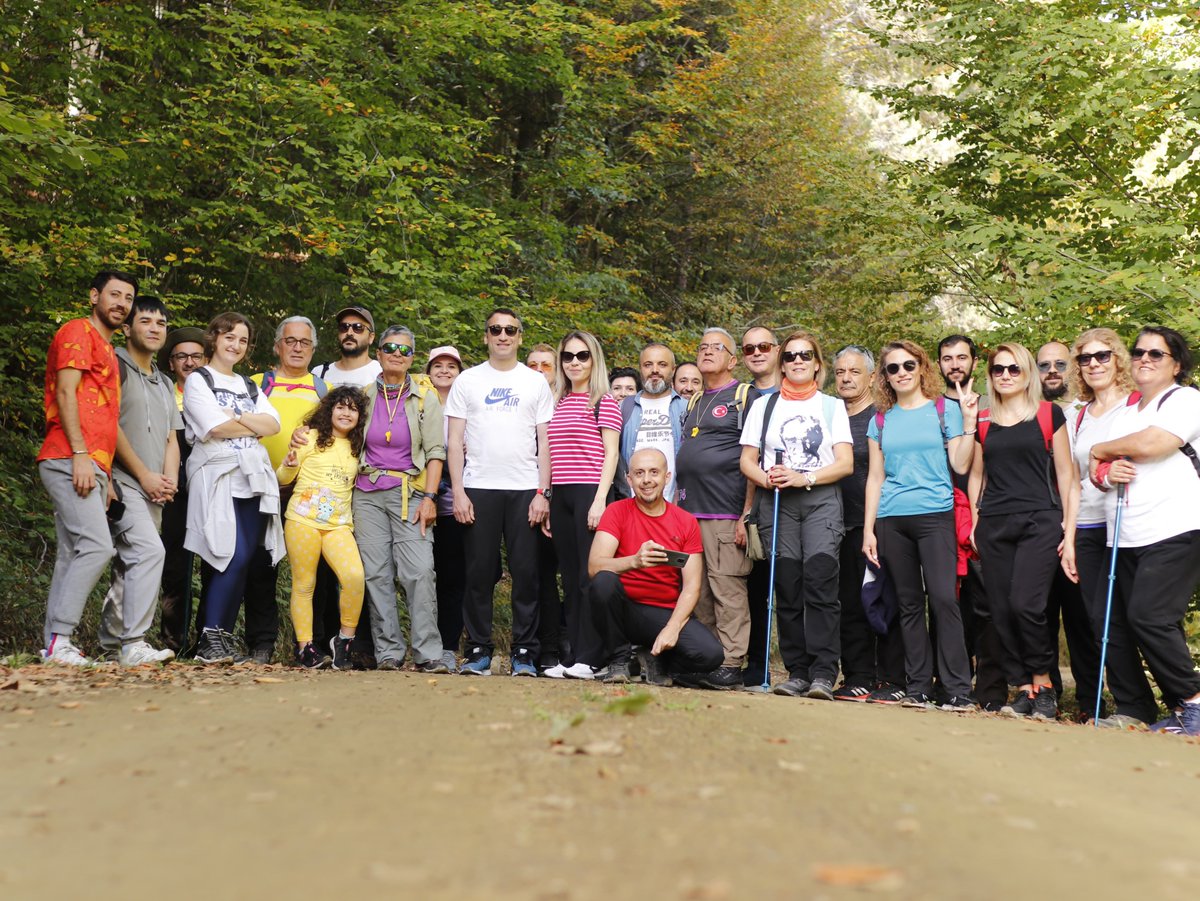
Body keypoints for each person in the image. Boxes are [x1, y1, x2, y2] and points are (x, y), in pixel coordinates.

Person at [1088, 326, 1200, 736]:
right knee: (1108, 620)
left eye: (1156, 353)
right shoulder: (1125, 412)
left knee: (1151, 617)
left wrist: (1102, 450)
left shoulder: (1187, 400)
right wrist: (1104, 469)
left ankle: (1194, 702)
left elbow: (1156, 443)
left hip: (1175, 528)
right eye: (1138, 352)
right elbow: (1094, 470)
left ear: (1176, 364)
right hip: (1123, 535)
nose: (1145, 359)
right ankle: (1161, 709)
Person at [863, 340, 978, 710]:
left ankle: (958, 688)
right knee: (909, 604)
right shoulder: (880, 420)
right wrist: (868, 529)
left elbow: (960, 465)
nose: (901, 373)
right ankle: (918, 687)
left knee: (944, 600)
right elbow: (875, 478)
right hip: (891, 520)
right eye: (893, 368)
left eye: (908, 366)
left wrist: (971, 423)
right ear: (884, 376)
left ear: (921, 368)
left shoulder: (945, 411)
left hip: (935, 515)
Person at [740, 332, 852, 699]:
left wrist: (804, 477)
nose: (797, 361)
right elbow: (747, 462)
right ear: (781, 362)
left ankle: (823, 673)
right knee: (786, 588)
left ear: (818, 363)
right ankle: (797, 671)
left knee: (820, 584)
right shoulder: (764, 406)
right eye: (790, 356)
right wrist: (769, 478)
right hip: (778, 504)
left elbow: (845, 464)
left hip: (820, 500)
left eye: (805, 355)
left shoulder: (832, 406)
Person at [968, 343, 1076, 720]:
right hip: (995, 522)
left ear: (1027, 372)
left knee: (1026, 605)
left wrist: (1069, 527)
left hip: (1039, 521)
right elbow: (976, 473)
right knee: (1000, 610)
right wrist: (976, 520)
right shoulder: (983, 420)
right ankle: (1025, 688)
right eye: (998, 370)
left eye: (1014, 369)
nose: (1006, 376)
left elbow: (1067, 474)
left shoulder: (1049, 413)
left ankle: (1044, 684)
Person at [445, 308, 554, 676]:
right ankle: (478, 650)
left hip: (524, 488)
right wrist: (458, 492)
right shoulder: (468, 381)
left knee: (526, 573)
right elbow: (454, 441)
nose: (503, 335)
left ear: (520, 337)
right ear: (486, 336)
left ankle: (524, 651)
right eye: (495, 329)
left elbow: (545, 441)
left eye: (510, 330)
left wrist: (544, 492)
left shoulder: (535, 382)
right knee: (478, 574)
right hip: (478, 487)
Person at [37, 270, 137, 664]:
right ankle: (60, 639)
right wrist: (80, 455)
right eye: (114, 295)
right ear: (94, 295)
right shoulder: (77, 331)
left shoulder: (109, 349)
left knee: (72, 552)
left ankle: (52, 645)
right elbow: (65, 392)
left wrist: (106, 473)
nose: (121, 304)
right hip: (67, 455)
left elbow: (105, 418)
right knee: (97, 547)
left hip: (91, 462)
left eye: (128, 298)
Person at [1066, 329, 1156, 726]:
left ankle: (1184, 702)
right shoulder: (1077, 414)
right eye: (1085, 359)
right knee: (1102, 618)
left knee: (1144, 615)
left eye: (1101, 356)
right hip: (1086, 526)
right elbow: (1069, 480)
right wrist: (1066, 537)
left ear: (1118, 358)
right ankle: (1134, 706)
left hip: (1129, 521)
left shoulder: (1139, 405)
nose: (1094, 365)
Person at [183, 312, 283, 664]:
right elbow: (212, 427)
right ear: (214, 338)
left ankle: (220, 638)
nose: (235, 345)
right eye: (229, 337)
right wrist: (248, 424)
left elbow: (272, 424)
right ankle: (210, 634)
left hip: (253, 480)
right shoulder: (199, 380)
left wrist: (236, 419)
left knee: (245, 560)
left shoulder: (248, 385)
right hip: (218, 475)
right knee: (228, 554)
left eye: (242, 340)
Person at [234, 316, 331, 664]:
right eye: (290, 341)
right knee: (260, 567)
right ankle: (261, 644)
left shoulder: (324, 391)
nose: (297, 347)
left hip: (309, 493)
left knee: (314, 573)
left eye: (304, 342)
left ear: (313, 348)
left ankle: (312, 645)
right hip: (262, 487)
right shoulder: (257, 384)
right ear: (277, 346)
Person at [351, 326, 447, 673]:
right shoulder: (362, 397)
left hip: (411, 493)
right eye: (390, 347)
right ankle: (388, 651)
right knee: (376, 573)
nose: (397, 353)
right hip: (366, 495)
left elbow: (436, 451)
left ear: (412, 358)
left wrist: (431, 497)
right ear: (378, 352)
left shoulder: (425, 397)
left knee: (419, 571)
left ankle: (428, 652)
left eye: (405, 350)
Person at [589, 448, 723, 684]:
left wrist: (673, 627)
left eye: (654, 472)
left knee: (711, 655)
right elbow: (594, 566)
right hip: (623, 609)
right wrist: (635, 561)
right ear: (629, 479)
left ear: (667, 477)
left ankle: (657, 662)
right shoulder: (616, 512)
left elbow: (692, 587)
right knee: (603, 580)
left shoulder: (686, 522)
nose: (647, 480)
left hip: (662, 612)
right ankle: (619, 660)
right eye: (639, 473)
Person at [97, 295, 180, 665]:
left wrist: (169, 479)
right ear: (127, 328)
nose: (155, 329)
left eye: (161, 323)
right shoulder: (115, 366)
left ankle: (110, 647)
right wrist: (144, 475)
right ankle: (133, 642)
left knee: (128, 566)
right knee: (150, 552)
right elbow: (107, 426)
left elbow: (171, 438)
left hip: (155, 487)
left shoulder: (164, 381)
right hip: (120, 477)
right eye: (146, 321)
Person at [675, 328, 760, 689]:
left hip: (726, 513)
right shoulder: (694, 400)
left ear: (732, 358)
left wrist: (747, 514)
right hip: (690, 514)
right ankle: (710, 662)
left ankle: (732, 663)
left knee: (728, 591)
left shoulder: (745, 397)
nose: (707, 352)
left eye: (717, 348)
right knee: (700, 594)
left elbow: (755, 457)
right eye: (703, 346)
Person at [544, 331, 622, 680]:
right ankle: (575, 654)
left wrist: (600, 500)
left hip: (591, 491)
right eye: (568, 356)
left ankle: (594, 657)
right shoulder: (556, 400)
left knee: (589, 577)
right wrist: (546, 497)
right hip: (560, 494)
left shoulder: (603, 400)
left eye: (582, 355)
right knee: (570, 576)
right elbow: (548, 453)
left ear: (594, 360)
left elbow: (612, 454)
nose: (574, 362)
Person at [830, 345, 904, 702]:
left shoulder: (883, 417)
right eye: (840, 371)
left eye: (854, 371)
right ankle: (858, 674)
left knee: (884, 599)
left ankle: (892, 677)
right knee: (849, 602)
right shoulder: (828, 415)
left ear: (872, 377)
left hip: (878, 521)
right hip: (836, 524)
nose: (846, 377)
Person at [938, 333, 1005, 709]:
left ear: (975, 363)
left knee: (986, 602)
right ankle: (949, 682)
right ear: (940, 365)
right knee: (946, 601)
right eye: (947, 358)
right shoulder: (931, 407)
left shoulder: (991, 406)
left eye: (962, 357)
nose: (955, 364)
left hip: (983, 512)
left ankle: (990, 688)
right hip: (939, 513)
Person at [278, 386, 367, 670]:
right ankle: (305, 648)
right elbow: (282, 477)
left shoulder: (360, 445)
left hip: (338, 525)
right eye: (340, 406)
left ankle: (344, 641)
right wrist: (288, 464)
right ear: (329, 411)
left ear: (359, 417)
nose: (346, 412)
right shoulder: (310, 438)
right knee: (305, 585)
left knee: (354, 577)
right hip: (302, 521)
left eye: (353, 409)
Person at [1037, 339, 1102, 720]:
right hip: (1039, 529)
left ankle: (1091, 703)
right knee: (1041, 616)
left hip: (1083, 527)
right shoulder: (1028, 413)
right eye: (1044, 365)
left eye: (1060, 363)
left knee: (1082, 621)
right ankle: (1047, 696)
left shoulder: (1085, 414)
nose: (1052, 371)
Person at [157, 326, 206, 652]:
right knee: (174, 568)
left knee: (215, 566)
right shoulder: (161, 392)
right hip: (172, 489)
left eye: (195, 356)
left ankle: (208, 641)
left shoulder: (217, 393)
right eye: (181, 356)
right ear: (171, 363)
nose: (189, 362)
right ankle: (173, 643)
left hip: (212, 488)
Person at [740, 326, 781, 686]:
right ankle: (756, 666)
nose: (757, 352)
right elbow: (747, 459)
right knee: (755, 591)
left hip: (802, 501)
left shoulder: (799, 393)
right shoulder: (744, 397)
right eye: (749, 348)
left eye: (764, 346)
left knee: (797, 587)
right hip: (759, 504)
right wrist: (747, 510)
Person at [527, 342, 568, 672]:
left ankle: (567, 645)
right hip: (525, 499)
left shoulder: (566, 403)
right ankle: (544, 648)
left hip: (562, 499)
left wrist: (551, 496)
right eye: (533, 365)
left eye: (546, 365)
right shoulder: (519, 401)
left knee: (571, 577)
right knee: (537, 578)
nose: (539, 371)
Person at [427, 345, 468, 673]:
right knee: (426, 576)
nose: (444, 371)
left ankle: (449, 645)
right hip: (422, 497)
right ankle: (424, 643)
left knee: (454, 577)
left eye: (450, 366)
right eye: (437, 365)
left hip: (457, 498)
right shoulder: (418, 404)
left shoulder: (469, 403)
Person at [615, 342, 686, 503]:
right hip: (631, 504)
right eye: (648, 365)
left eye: (662, 364)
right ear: (641, 368)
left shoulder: (687, 408)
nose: (655, 370)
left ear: (673, 370)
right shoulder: (623, 407)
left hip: (674, 505)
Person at [312, 305, 381, 388]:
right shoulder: (319, 374)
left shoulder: (381, 374)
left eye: (358, 327)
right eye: (344, 327)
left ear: (371, 337)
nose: (349, 333)